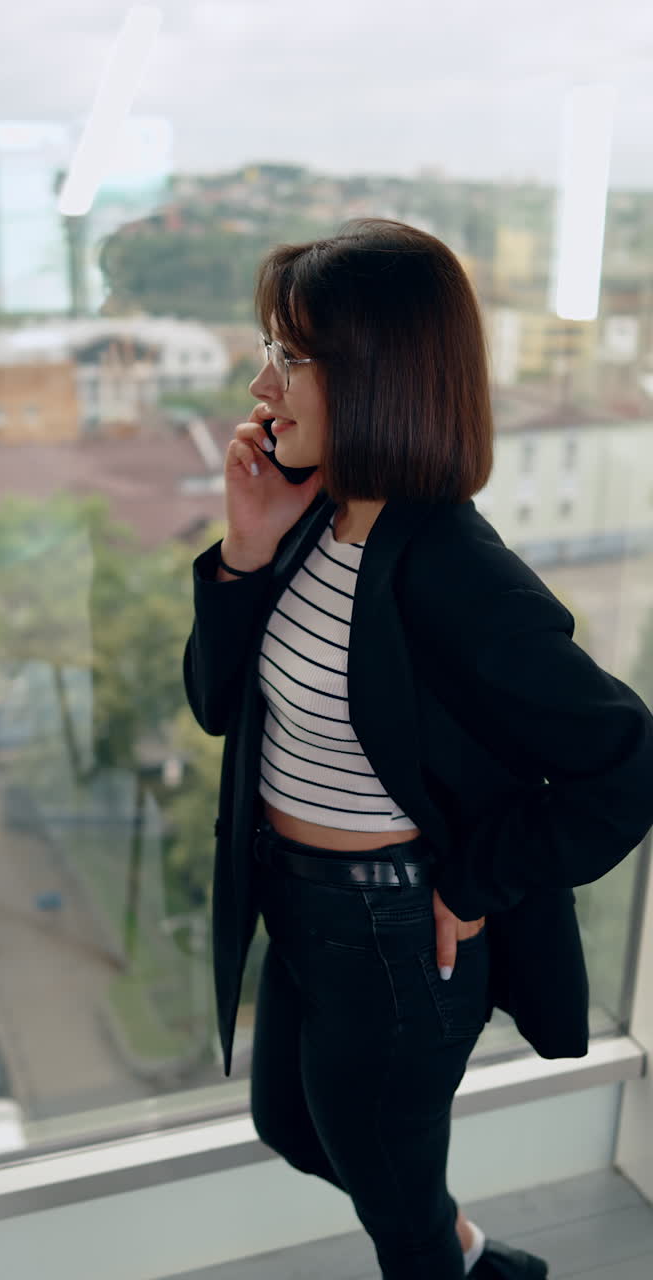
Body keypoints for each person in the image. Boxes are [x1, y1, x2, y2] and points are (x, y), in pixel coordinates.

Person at [182, 218, 653, 1279]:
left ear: (381, 373)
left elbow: (627, 760)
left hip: (393, 933)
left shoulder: (453, 566)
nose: (263, 384)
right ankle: (485, 1259)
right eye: (271, 348)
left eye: (291, 355)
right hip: (297, 902)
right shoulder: (313, 518)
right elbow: (218, 704)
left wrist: (482, 875)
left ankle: (453, 1258)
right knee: (297, 1127)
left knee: (397, 1215)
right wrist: (245, 554)